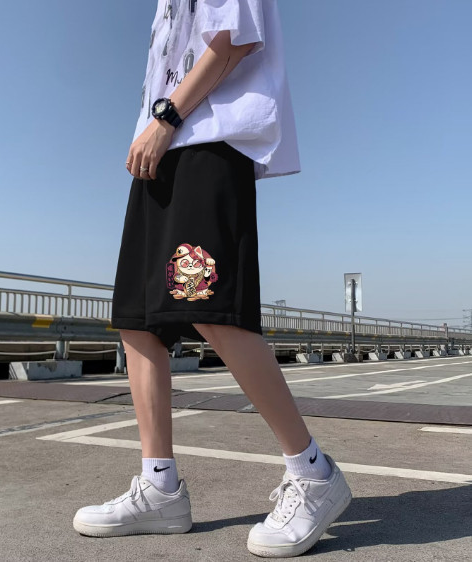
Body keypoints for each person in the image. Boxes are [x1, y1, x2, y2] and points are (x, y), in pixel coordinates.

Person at [73, 0, 352, 557]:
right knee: (137, 319)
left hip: (206, 141)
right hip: (162, 148)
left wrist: (166, 119)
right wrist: (156, 128)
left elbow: (236, 38)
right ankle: (159, 488)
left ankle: (314, 474)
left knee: (211, 307)